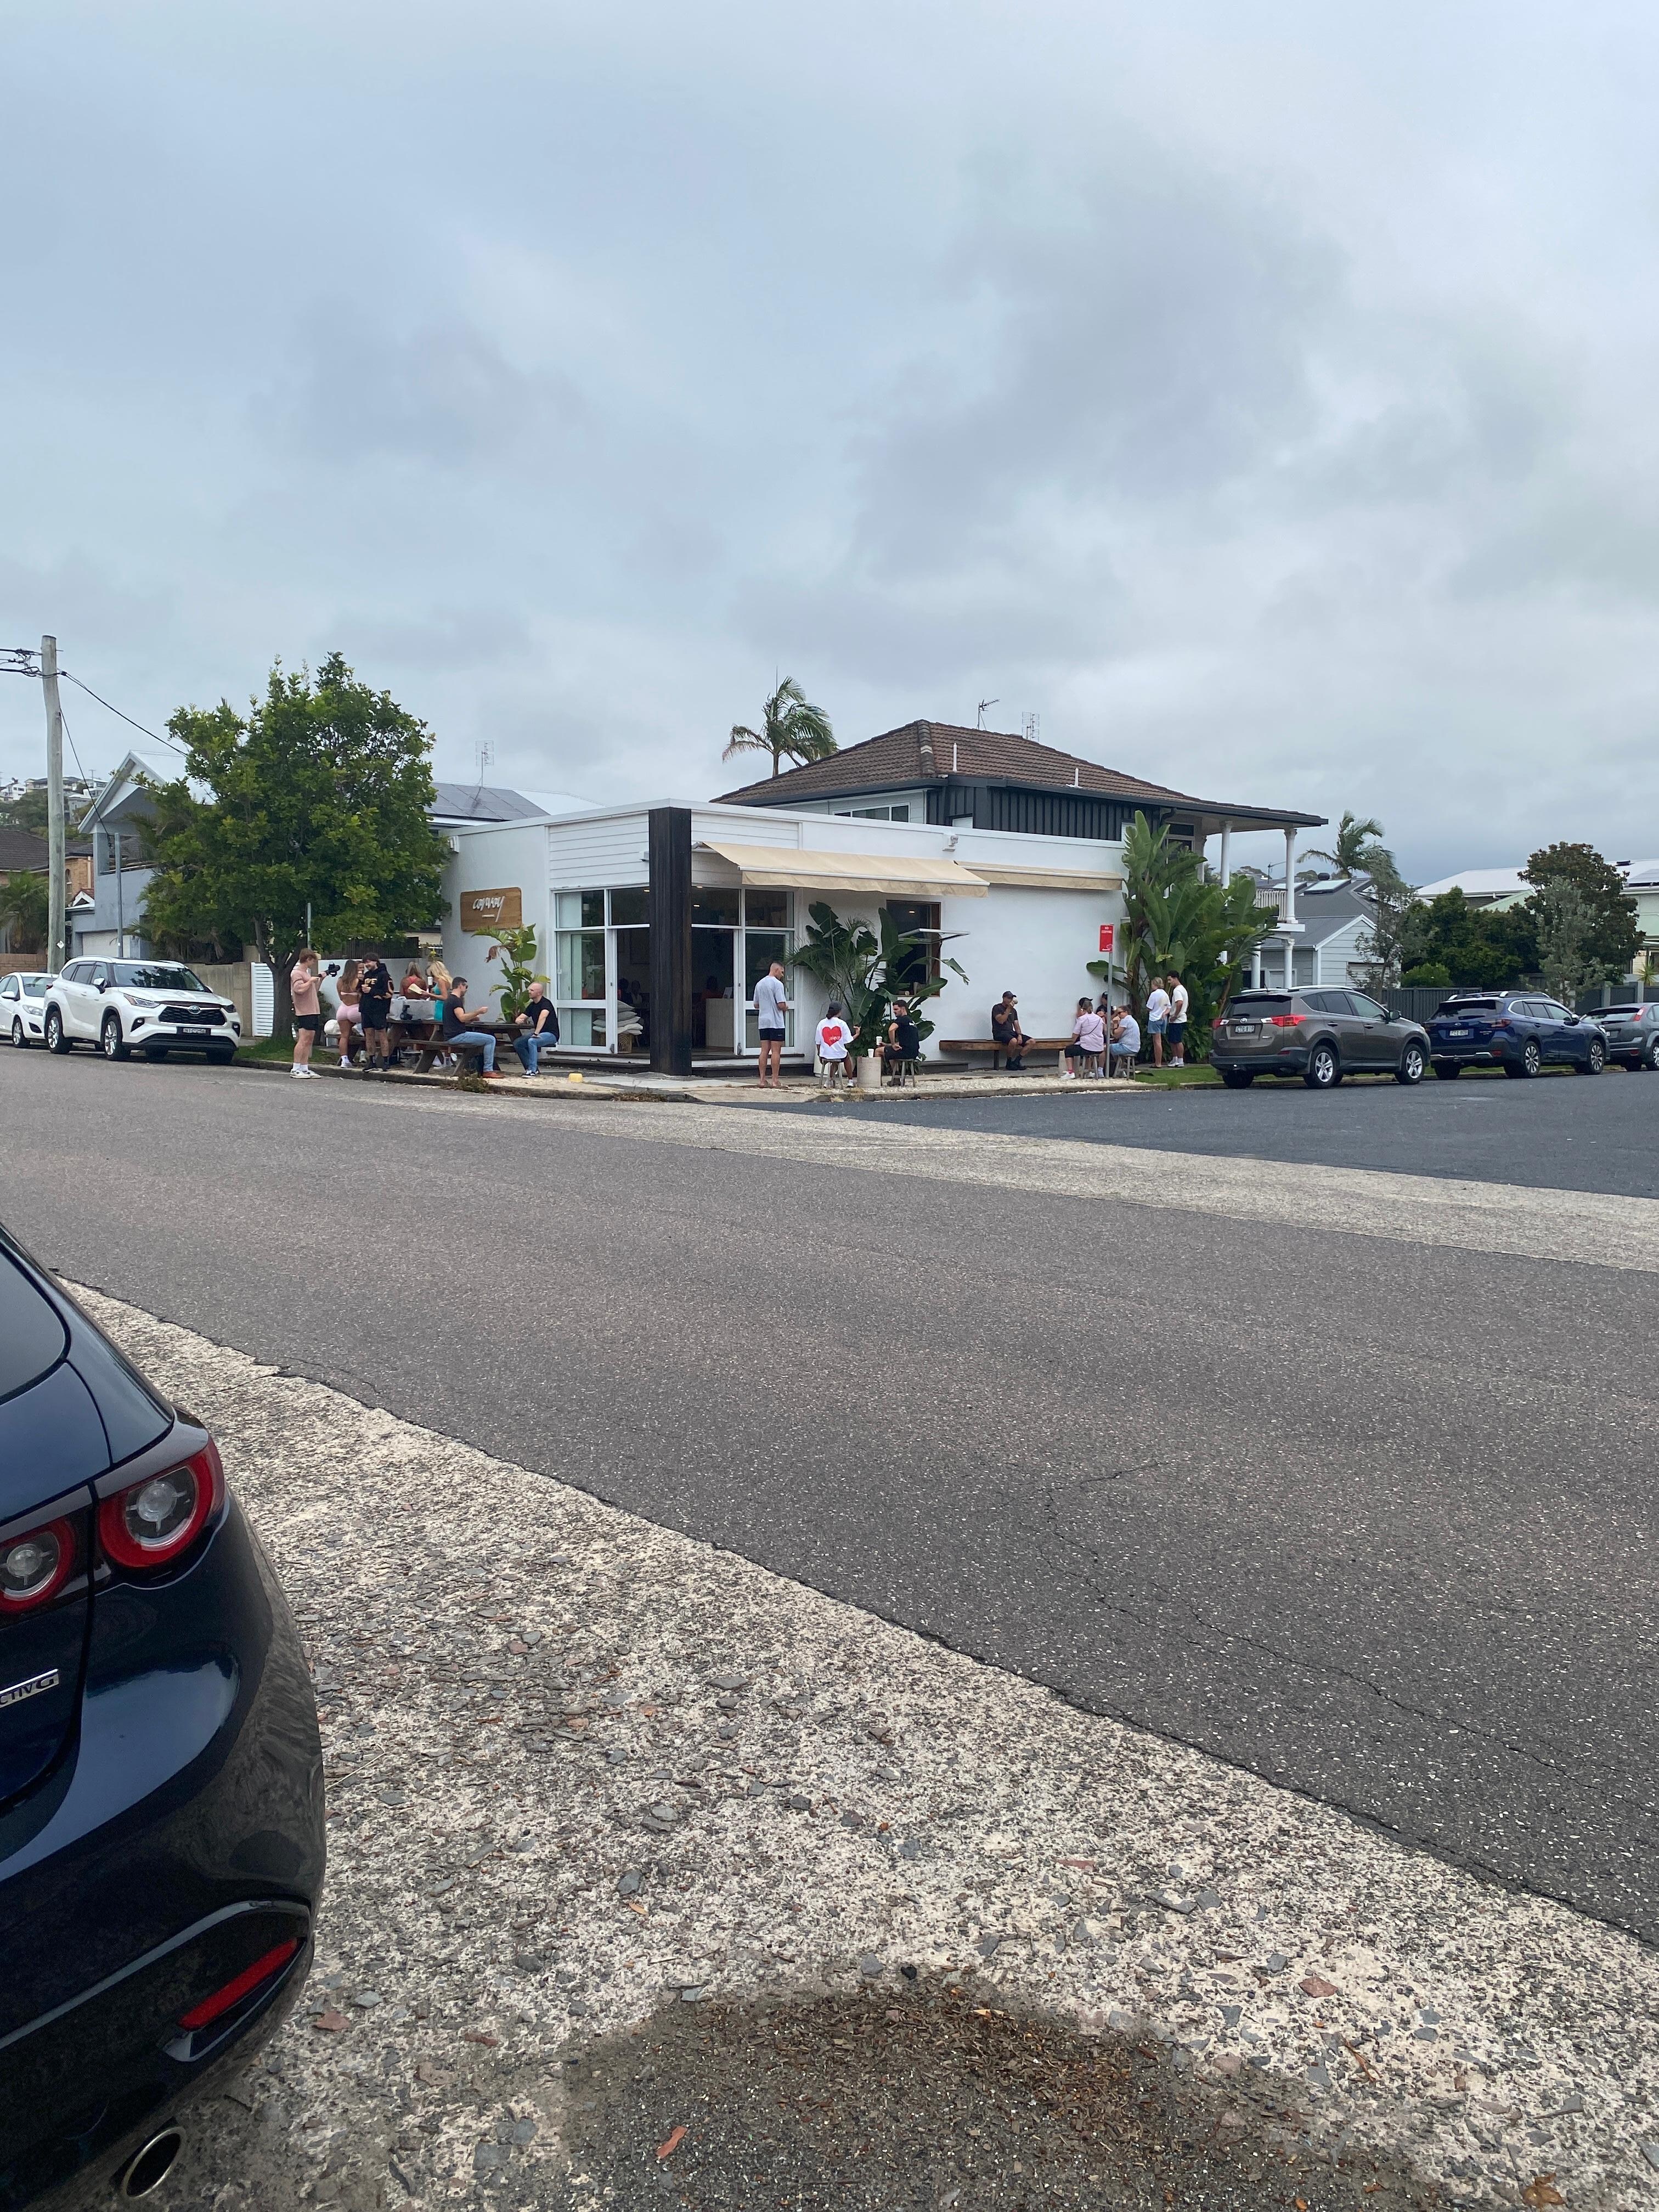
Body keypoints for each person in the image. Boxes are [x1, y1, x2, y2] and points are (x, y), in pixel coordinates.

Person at [440, 978, 501, 1077]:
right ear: (460, 986)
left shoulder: (449, 1000)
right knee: (491, 1039)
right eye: (466, 986)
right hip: (457, 1036)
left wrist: (472, 1018)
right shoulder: (456, 1001)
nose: (466, 989)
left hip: (450, 1036)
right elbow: (462, 1018)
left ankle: (483, 1068)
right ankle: (488, 1070)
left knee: (486, 1039)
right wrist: (478, 1012)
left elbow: (457, 1019)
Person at [754, 959, 789, 1088]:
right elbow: (781, 1004)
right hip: (776, 1022)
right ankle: (775, 1081)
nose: (782, 975)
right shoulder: (777, 984)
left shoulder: (759, 984)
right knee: (776, 1051)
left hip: (763, 1021)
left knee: (764, 1051)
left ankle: (762, 1080)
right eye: (782, 972)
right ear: (776, 970)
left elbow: (756, 1005)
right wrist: (786, 1007)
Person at [513, 980, 560, 1074]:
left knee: (532, 1041)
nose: (529, 992)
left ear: (539, 993)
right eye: (529, 990)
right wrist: (518, 1020)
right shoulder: (532, 1005)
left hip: (551, 1035)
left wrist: (536, 1033)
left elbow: (543, 1016)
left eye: (532, 990)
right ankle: (529, 1067)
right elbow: (521, 1017)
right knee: (518, 1043)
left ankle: (532, 1070)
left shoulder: (546, 1003)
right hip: (539, 1033)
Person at [289, 949, 323, 1079]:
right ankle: (295, 1068)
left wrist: (320, 979)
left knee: (309, 1039)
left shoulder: (306, 974)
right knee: (303, 1039)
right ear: (308, 959)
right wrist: (310, 982)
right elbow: (298, 989)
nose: (313, 963)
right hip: (305, 1011)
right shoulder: (297, 974)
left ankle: (304, 1068)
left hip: (313, 1010)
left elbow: (312, 990)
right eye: (313, 960)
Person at [358, 954, 394, 1069]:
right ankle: (371, 1061)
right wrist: (360, 982)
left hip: (379, 1009)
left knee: (382, 1034)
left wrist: (372, 991)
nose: (367, 965)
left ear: (375, 962)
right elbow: (359, 990)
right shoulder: (367, 975)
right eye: (365, 963)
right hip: (366, 1008)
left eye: (369, 962)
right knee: (368, 1035)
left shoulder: (384, 975)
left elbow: (389, 993)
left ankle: (386, 1061)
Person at [882, 998, 922, 1082]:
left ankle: (877, 1080)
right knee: (890, 1051)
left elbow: (891, 1030)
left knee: (878, 1051)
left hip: (905, 1052)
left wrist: (893, 1045)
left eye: (896, 1009)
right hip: (913, 1052)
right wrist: (888, 1045)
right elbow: (906, 1042)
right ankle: (896, 1077)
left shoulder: (902, 1020)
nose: (894, 1012)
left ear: (903, 1009)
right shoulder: (911, 1021)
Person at [1066, 996, 1106, 1079]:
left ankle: (1070, 1072)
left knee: (1068, 1050)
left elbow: (1075, 1034)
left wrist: (1071, 1042)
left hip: (1087, 1046)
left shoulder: (1082, 1019)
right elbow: (1104, 1030)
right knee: (1088, 1052)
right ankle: (1089, 1071)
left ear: (1082, 1009)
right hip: (1099, 1048)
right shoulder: (1099, 1019)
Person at [815, 1001, 852, 1088]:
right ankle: (850, 1081)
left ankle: (829, 1081)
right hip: (839, 1054)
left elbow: (818, 1042)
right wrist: (857, 1034)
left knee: (833, 1060)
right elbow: (848, 1041)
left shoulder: (822, 1023)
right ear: (839, 1011)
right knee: (846, 1056)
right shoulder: (842, 1023)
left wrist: (820, 1054)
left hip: (825, 1055)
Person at [991, 990, 1031, 1071]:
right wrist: (1008, 1009)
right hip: (1000, 1032)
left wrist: (1019, 1035)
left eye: (1012, 998)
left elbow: (1016, 1024)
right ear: (1004, 998)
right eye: (1009, 998)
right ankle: (1009, 1063)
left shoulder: (1014, 1011)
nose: (1011, 1000)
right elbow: (1001, 1021)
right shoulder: (997, 1008)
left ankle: (1017, 1062)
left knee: (1031, 1042)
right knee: (1013, 1041)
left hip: (1010, 1032)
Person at [333, 960, 363, 1066]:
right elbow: (362, 997)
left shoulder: (340, 981)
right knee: (369, 1027)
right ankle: (359, 1031)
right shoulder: (357, 981)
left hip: (343, 1010)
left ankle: (344, 1060)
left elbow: (341, 997)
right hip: (355, 1009)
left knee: (344, 1036)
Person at [1145, 977, 1171, 1068]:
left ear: (1155, 984)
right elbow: (1169, 1007)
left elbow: (1149, 1007)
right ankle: (1158, 1062)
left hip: (1155, 1018)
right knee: (1159, 1041)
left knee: (1157, 1042)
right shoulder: (1165, 994)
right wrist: (1164, 1013)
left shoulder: (1154, 994)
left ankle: (1158, 1063)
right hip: (1163, 1019)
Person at [1109, 1005, 1142, 1075]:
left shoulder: (1125, 1020)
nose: (1118, 1015)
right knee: (1114, 1049)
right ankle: (1121, 1070)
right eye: (1117, 1013)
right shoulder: (1131, 1020)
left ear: (1126, 1012)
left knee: (1105, 1048)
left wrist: (1115, 1024)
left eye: (1119, 1013)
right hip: (1134, 1047)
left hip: (1127, 1047)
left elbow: (1116, 1035)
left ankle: (1100, 1071)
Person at [1167, 973, 1190, 1066]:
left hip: (1178, 1019)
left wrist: (1175, 1015)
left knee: (1177, 1040)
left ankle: (1180, 1060)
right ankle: (1175, 1058)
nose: (1169, 982)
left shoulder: (1177, 990)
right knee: (1173, 1040)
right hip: (1179, 1018)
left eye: (1170, 980)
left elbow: (1180, 1003)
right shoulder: (1183, 989)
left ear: (1175, 978)